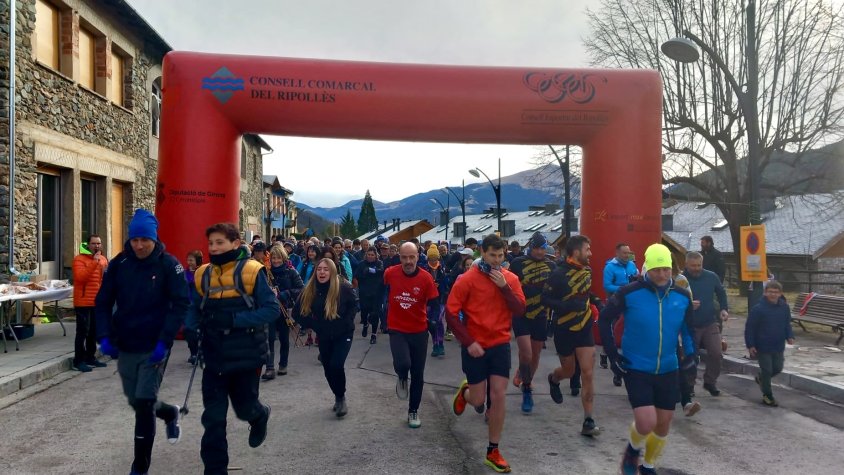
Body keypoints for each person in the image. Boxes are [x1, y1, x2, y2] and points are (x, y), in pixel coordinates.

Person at [94, 209, 189, 475]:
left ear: (154, 239)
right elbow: (102, 302)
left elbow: (181, 304)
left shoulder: (169, 265)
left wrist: (165, 341)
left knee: (144, 403)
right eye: (134, 240)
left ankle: (139, 468)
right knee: (137, 399)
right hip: (126, 341)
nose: (139, 245)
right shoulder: (119, 264)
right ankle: (169, 413)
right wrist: (104, 336)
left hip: (155, 343)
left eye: (144, 240)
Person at [186, 223, 279, 474]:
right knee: (213, 421)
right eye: (211, 243)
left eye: (220, 242)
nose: (214, 248)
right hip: (214, 358)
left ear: (235, 243)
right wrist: (192, 328)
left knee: (245, 408)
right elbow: (194, 308)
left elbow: (271, 310)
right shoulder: (203, 274)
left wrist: (233, 320)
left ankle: (259, 415)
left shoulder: (252, 271)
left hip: (246, 357)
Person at [599, 243, 696, 475]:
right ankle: (633, 450)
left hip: (668, 367)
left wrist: (691, 357)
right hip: (637, 366)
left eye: (666, 269)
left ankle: (648, 465)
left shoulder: (682, 296)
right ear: (647, 269)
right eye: (656, 270)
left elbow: (688, 330)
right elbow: (604, 320)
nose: (662, 275)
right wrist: (612, 355)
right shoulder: (629, 293)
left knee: (663, 423)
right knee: (645, 422)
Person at [446, 234, 526, 473]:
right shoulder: (467, 279)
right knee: (479, 400)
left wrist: (504, 288)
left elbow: (520, 309)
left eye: (501, 256)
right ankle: (466, 393)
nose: (496, 260)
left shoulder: (510, 278)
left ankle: (493, 450)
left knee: (499, 396)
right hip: (475, 346)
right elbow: (451, 313)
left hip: (500, 344)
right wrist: (468, 341)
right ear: (482, 252)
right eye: (492, 255)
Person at [541, 234, 602, 437]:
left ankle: (588, 420)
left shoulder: (587, 271)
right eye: (587, 250)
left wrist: (597, 302)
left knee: (588, 373)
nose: (590, 253)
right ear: (576, 252)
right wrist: (566, 306)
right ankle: (554, 379)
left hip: (584, 328)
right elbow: (545, 299)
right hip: (564, 329)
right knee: (569, 371)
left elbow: (585, 293)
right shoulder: (558, 273)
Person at [292, 258, 358, 417]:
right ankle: (337, 395)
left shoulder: (343, 287)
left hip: (343, 334)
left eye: (326, 269)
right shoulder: (310, 289)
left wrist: (347, 321)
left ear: (332, 272)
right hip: (324, 335)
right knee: (328, 368)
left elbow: (354, 304)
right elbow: (296, 313)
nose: (322, 272)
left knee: (336, 365)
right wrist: (314, 325)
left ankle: (341, 398)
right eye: (319, 269)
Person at [384, 242, 439, 428]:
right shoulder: (390, 273)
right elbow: (381, 290)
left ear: (418, 257)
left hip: (419, 330)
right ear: (399, 257)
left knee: (417, 373)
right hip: (397, 328)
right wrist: (379, 310)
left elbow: (435, 303)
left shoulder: (426, 278)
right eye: (404, 257)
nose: (408, 261)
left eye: (411, 257)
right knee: (403, 364)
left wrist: (433, 322)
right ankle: (401, 376)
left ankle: (413, 411)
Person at [508, 232, 556, 414]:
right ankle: (527, 389)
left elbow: (557, 288)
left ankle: (526, 380)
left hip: (541, 315)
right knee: (526, 353)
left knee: (535, 354)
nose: (539, 252)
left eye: (542, 248)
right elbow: (508, 285)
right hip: (521, 314)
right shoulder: (517, 263)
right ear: (530, 247)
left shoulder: (551, 265)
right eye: (536, 248)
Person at [683, 251, 729, 397]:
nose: (696, 268)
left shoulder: (711, 276)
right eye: (693, 266)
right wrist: (688, 305)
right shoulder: (681, 280)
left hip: (710, 322)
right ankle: (689, 385)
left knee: (716, 353)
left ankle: (710, 381)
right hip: (690, 324)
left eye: (699, 265)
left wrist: (724, 309)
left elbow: (721, 292)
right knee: (691, 356)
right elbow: (673, 300)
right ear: (686, 264)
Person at [745, 280, 794, 407]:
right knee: (767, 370)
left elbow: (787, 323)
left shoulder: (784, 307)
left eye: (776, 292)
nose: (773, 294)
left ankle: (761, 379)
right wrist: (750, 345)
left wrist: (789, 336)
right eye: (770, 292)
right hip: (762, 346)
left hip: (778, 345)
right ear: (765, 293)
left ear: (780, 293)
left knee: (777, 368)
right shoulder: (758, 309)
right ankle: (768, 396)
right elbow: (750, 328)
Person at [263, 246, 304, 380]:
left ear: (284, 258)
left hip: (285, 309)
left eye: (278, 258)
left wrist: (286, 293)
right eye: (273, 258)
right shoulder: (266, 272)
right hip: (270, 309)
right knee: (269, 338)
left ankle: (283, 364)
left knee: (284, 338)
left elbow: (301, 289)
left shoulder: (291, 272)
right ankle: (269, 367)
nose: (276, 261)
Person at [72, 234, 109, 372]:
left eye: (98, 243)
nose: (96, 246)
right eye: (94, 243)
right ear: (88, 245)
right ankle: (78, 361)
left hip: (97, 301)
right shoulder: (79, 259)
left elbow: (105, 279)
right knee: (82, 331)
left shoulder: (103, 259)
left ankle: (90, 357)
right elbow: (81, 277)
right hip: (83, 301)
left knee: (93, 331)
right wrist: (94, 262)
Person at [355, 247, 385, 344]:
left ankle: (373, 335)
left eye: (372, 255)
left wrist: (371, 270)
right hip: (364, 293)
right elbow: (357, 275)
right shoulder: (361, 264)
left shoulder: (379, 263)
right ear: (366, 255)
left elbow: (381, 271)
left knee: (375, 314)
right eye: (369, 254)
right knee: (364, 313)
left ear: (376, 256)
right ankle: (365, 324)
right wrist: (365, 274)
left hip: (376, 293)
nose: (370, 256)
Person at [425, 244, 448, 357]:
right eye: (431, 258)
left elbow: (446, 283)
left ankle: (441, 344)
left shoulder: (442, 268)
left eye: (435, 258)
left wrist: (439, 284)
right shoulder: (425, 269)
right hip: (429, 301)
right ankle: (435, 344)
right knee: (432, 323)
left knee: (438, 320)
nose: (433, 261)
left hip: (440, 299)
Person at [185, 249, 204, 364]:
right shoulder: (184, 273)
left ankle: (203, 352)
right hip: (190, 305)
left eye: (191, 260)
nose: (189, 262)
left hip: (203, 304)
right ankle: (193, 352)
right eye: (188, 260)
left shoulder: (203, 272)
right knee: (189, 329)